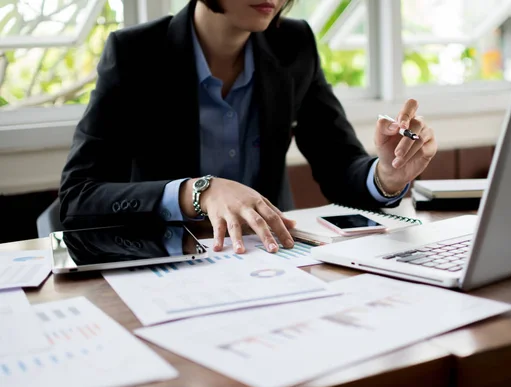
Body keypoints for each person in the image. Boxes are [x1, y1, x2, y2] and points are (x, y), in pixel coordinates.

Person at [59, 0, 437, 254]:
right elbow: (77, 198)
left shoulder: (294, 43)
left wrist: (386, 174)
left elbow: (339, 165)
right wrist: (197, 191)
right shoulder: (136, 53)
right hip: (166, 261)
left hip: (272, 256)